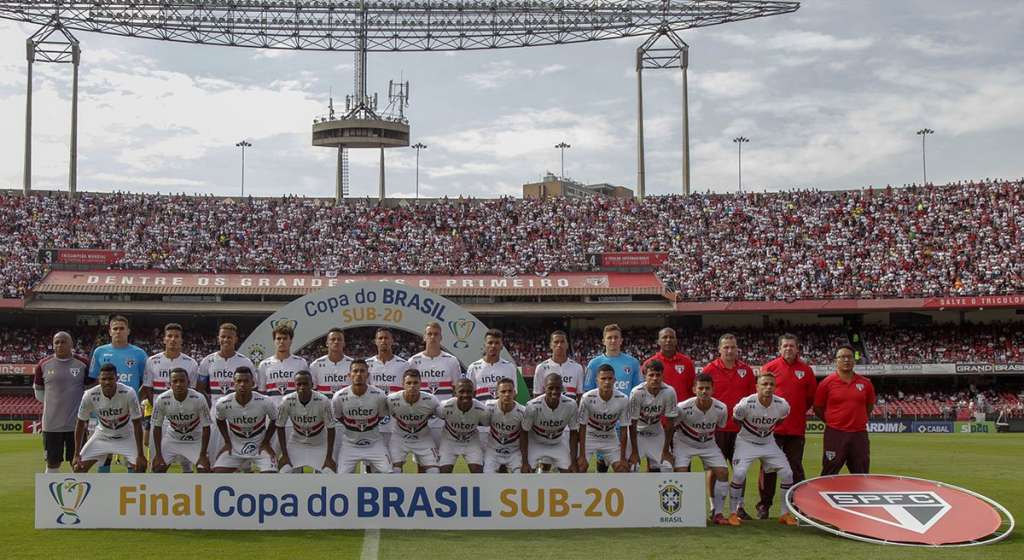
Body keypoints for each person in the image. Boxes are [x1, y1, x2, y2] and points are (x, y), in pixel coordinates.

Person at [757, 333, 817, 519]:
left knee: (795, 467)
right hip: (772, 429)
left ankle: (798, 505)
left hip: (796, 429)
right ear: (779, 348)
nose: (789, 349)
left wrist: (794, 412)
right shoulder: (770, 367)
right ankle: (764, 506)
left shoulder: (806, 370)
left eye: (792, 345)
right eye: (785, 346)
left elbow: (809, 399)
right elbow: (760, 396)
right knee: (769, 467)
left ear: (797, 348)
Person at [730, 373, 798, 526]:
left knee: (787, 473)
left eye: (771, 385)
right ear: (757, 387)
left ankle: (784, 513)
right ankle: (733, 513)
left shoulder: (782, 405)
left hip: (768, 442)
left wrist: (764, 433)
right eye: (764, 384)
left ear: (775, 387)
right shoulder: (746, 404)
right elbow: (736, 420)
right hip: (746, 442)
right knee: (739, 474)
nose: (768, 387)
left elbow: (780, 420)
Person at [703, 333, 757, 519]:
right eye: (726, 347)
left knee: (740, 469)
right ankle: (713, 506)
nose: (729, 350)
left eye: (733, 347)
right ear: (719, 349)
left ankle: (739, 507)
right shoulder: (710, 369)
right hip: (716, 429)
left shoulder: (746, 370)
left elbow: (752, 400)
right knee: (714, 469)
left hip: (740, 430)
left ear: (737, 349)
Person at [87, 315, 147, 472]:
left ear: (128, 331)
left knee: (132, 457)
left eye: (122, 328)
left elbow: (146, 383)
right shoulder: (100, 352)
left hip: (129, 411)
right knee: (103, 453)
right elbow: (94, 381)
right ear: (110, 331)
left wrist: (135, 402)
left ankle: (132, 491)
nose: (118, 331)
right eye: (115, 328)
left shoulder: (139, 354)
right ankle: (105, 489)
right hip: (104, 411)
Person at [670, 373, 730, 525]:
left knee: (723, 472)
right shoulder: (682, 407)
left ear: (713, 390)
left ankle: (718, 512)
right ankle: (683, 512)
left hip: (708, 444)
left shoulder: (721, 408)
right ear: (694, 389)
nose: (704, 391)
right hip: (684, 444)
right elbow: (673, 427)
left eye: (707, 388)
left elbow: (720, 427)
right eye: (701, 388)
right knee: (681, 473)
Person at [141, 323, 200, 471]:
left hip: (183, 417)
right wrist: (157, 408)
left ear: (181, 340)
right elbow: (148, 388)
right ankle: (157, 491)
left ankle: (188, 490)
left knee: (186, 461)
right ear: (164, 339)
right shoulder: (152, 361)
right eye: (170, 336)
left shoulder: (191, 363)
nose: (173, 339)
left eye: (176, 336)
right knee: (158, 463)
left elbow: (192, 392)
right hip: (160, 418)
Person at [584, 324, 642, 472]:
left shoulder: (633, 363)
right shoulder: (594, 364)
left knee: (625, 466)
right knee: (602, 465)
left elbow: (638, 392)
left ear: (621, 340)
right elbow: (588, 394)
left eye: (616, 337)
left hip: (624, 422)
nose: (613, 341)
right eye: (609, 338)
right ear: (603, 341)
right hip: (601, 423)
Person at [197, 323, 255, 465]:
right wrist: (210, 405)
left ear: (235, 339)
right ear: (218, 338)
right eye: (223, 337)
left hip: (240, 416)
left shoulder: (245, 361)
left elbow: (253, 389)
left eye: (229, 337)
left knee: (244, 459)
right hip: (215, 415)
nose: (226, 340)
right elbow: (199, 389)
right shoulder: (207, 361)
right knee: (213, 455)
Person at [33, 331, 91, 473]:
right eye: (56, 342)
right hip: (51, 425)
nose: (59, 345)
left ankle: (80, 495)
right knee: (52, 464)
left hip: (77, 425)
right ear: (53, 345)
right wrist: (53, 404)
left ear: (71, 344)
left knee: (78, 465)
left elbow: (90, 392)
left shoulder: (83, 363)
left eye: (63, 341)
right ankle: (50, 495)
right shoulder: (43, 364)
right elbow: (39, 392)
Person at [813, 345, 876, 475]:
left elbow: (869, 406)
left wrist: (858, 420)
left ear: (854, 360)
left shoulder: (866, 383)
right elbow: (818, 408)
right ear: (836, 360)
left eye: (849, 357)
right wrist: (832, 421)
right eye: (842, 357)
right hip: (835, 434)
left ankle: (859, 495)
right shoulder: (826, 383)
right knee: (829, 472)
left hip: (859, 434)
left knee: (862, 473)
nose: (846, 360)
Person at [73, 364, 146, 473]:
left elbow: (137, 423)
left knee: (140, 467)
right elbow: (80, 423)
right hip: (102, 437)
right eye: (104, 379)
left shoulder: (129, 393)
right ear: (99, 380)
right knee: (78, 468)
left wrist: (140, 454)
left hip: (126, 437)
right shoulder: (89, 394)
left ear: (116, 378)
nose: (107, 382)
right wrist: (76, 454)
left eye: (111, 379)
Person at [212, 367, 278, 473]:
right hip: (234, 447)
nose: (242, 384)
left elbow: (275, 419)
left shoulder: (265, 401)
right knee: (218, 473)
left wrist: (266, 442)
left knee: (271, 474)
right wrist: (227, 442)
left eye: (246, 381)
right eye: (239, 381)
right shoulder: (223, 403)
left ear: (252, 383)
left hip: (260, 447)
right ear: (234, 383)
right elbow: (220, 420)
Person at [331, 359, 392, 474]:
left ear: (368, 375)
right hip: (350, 444)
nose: (358, 374)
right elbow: (339, 417)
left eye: (362, 371)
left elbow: (381, 416)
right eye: (355, 371)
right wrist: (355, 426)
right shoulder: (339, 396)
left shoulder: (379, 395)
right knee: (341, 477)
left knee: (388, 472)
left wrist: (366, 426)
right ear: (349, 375)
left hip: (374, 443)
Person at [408, 322, 463, 444]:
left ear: (441, 337)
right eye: (429, 334)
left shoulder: (451, 361)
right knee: (421, 459)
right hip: (420, 417)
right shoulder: (413, 361)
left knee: (444, 458)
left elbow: (457, 391)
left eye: (436, 334)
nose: (432, 337)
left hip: (443, 418)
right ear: (424, 337)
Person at [150, 368, 212, 473]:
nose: (178, 384)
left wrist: (203, 455)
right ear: (170, 384)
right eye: (175, 381)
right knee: (157, 468)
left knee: (204, 469)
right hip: (172, 439)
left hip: (195, 440)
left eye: (182, 381)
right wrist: (158, 454)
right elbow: (157, 427)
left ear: (188, 382)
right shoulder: (161, 399)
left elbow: (206, 427)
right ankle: (162, 490)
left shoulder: (199, 398)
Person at [276, 370, 337, 473]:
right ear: (294, 386)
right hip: (297, 442)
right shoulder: (286, 400)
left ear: (312, 385)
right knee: (284, 471)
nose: (302, 387)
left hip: (320, 442)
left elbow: (331, 428)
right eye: (299, 384)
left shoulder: (323, 401)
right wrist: (284, 454)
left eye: (305, 384)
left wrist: (329, 457)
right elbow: (279, 425)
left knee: (328, 472)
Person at [522, 373, 580, 473]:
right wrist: (524, 461)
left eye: (558, 388)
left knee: (571, 471)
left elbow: (574, 432)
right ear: (544, 388)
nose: (554, 391)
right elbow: (524, 432)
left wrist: (573, 461)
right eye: (550, 388)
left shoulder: (571, 404)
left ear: (562, 388)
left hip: (557, 442)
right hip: (536, 443)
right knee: (526, 471)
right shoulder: (532, 406)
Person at [577, 365, 630, 473]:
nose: (607, 382)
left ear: (614, 380)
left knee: (622, 469)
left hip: (610, 437)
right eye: (603, 379)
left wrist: (623, 457)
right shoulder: (587, 397)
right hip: (590, 436)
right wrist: (582, 455)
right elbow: (582, 426)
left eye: (610, 379)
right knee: (580, 467)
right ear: (597, 380)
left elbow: (624, 428)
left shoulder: (623, 399)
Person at [387, 368, 441, 473]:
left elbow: (442, 415)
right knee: (394, 470)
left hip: (423, 438)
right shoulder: (391, 400)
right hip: (399, 437)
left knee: (434, 471)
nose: (412, 386)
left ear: (420, 384)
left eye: (415, 383)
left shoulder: (431, 400)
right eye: (409, 383)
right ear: (403, 384)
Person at [628, 360, 679, 472]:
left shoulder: (669, 392)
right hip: (638, 434)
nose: (655, 378)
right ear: (645, 376)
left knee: (667, 466)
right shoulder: (636, 392)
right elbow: (632, 424)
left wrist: (666, 451)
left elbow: (670, 423)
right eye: (651, 375)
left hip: (656, 433)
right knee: (632, 467)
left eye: (658, 375)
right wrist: (634, 452)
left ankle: (657, 490)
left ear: (662, 376)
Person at [367, 327, 409, 457]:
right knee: (371, 460)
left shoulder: (404, 365)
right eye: (380, 338)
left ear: (392, 341)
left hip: (395, 420)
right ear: (375, 341)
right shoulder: (367, 364)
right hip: (373, 420)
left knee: (396, 459)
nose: (383, 340)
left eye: (386, 338)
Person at [437, 378, 490, 473]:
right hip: (449, 441)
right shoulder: (444, 406)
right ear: (454, 393)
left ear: (474, 393)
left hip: (471, 441)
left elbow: (485, 423)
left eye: (469, 392)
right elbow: (440, 416)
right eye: (461, 391)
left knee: (477, 470)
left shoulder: (482, 410)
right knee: (444, 471)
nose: (465, 395)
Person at [483, 378, 528, 474]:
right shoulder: (489, 406)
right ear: (497, 393)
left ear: (515, 393)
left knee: (519, 478)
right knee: (487, 478)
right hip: (493, 451)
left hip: (514, 452)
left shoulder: (522, 411)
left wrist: (525, 461)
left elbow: (524, 437)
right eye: (503, 391)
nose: (507, 394)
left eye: (510, 391)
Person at [257, 324, 310, 405]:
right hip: (272, 413)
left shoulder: (301, 362)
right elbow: (262, 393)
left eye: (285, 338)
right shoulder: (264, 365)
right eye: (278, 338)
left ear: (291, 341)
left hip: (295, 413)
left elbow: (307, 391)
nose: (281, 341)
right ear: (274, 341)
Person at [644, 327, 697, 402]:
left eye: (671, 337)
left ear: (676, 341)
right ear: (658, 341)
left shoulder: (687, 362)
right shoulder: (649, 363)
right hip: (658, 410)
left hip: (682, 410)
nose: (668, 340)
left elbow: (693, 388)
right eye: (664, 337)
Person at [466, 329, 518, 404]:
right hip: (481, 413)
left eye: (497, 343)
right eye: (490, 343)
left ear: (501, 346)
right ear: (484, 345)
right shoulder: (473, 367)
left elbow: (514, 393)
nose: (493, 346)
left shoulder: (510, 367)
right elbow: (470, 394)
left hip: (501, 414)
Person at [532, 331, 584, 400]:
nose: (559, 345)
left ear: (567, 345)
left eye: (562, 342)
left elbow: (580, 395)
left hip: (570, 409)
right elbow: (537, 396)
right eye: (556, 342)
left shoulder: (577, 368)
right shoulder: (541, 368)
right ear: (551, 345)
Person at [310, 327, 353, 398]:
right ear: (327, 343)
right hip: (324, 407)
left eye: (339, 339)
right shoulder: (315, 365)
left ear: (344, 343)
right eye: (333, 339)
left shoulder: (352, 364)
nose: (336, 342)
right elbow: (312, 390)